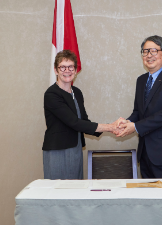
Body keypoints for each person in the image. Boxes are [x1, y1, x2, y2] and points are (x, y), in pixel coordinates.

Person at [117, 35, 162, 178]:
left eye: (154, 51)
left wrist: (136, 127)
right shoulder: (141, 80)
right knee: (148, 198)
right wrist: (128, 123)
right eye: (145, 51)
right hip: (145, 153)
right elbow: (138, 112)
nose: (149, 55)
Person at [43, 50, 121, 180]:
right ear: (56, 70)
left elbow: (84, 120)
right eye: (62, 67)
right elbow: (74, 122)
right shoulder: (52, 94)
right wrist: (110, 127)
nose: (67, 70)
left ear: (75, 70)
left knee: (75, 190)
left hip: (75, 148)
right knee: (58, 193)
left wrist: (111, 127)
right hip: (57, 150)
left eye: (70, 67)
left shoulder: (77, 92)